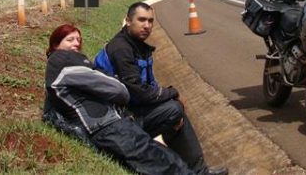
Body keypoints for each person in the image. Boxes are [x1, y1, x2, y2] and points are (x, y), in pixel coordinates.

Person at [43, 24, 194, 175]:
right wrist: (118, 85)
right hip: (107, 127)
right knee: (165, 162)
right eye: (70, 40)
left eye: (78, 39)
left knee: (170, 126)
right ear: (56, 45)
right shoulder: (62, 59)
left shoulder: (59, 66)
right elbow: (118, 90)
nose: (76, 43)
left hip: (116, 123)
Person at [101, 2, 228, 175]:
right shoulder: (121, 48)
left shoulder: (136, 45)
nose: (147, 25)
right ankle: (196, 171)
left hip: (129, 112)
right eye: (141, 20)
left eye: (150, 21)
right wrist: (173, 93)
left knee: (175, 111)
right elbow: (139, 92)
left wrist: (169, 96)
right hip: (118, 122)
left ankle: (196, 171)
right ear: (128, 21)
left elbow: (148, 86)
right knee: (173, 110)